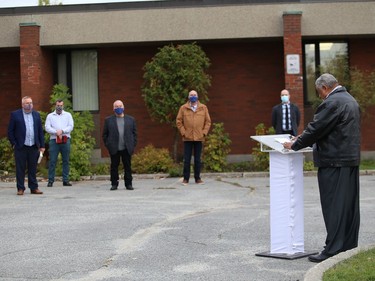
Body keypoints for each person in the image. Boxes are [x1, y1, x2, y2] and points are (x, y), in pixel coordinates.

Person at [283, 73, 361, 263]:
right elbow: (328, 128)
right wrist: (302, 138)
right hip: (350, 160)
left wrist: (294, 144)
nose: (321, 96)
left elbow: (316, 128)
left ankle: (332, 249)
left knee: (333, 206)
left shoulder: (332, 102)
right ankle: (348, 246)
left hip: (333, 162)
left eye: (320, 93)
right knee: (348, 207)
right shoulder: (350, 100)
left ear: (325, 88)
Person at [7, 96, 45, 195]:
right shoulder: (15, 115)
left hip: (33, 145)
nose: (30, 104)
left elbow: (40, 131)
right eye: (27, 103)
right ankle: (20, 188)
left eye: (31, 102)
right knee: (20, 168)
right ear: (23, 104)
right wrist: (14, 144)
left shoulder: (36, 115)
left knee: (33, 168)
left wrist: (42, 145)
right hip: (21, 146)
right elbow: (10, 131)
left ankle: (34, 188)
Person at [176, 90, 211, 185]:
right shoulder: (183, 108)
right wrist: (184, 133)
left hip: (199, 137)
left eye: (194, 95)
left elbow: (208, 122)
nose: (193, 96)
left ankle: (197, 178)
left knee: (197, 160)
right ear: (188, 97)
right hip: (187, 138)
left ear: (197, 96)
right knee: (186, 159)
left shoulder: (203, 108)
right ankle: (186, 179)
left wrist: (204, 133)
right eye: (191, 95)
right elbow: (179, 121)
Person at [102, 100, 137, 191]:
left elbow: (134, 134)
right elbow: (105, 135)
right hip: (114, 148)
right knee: (114, 166)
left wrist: (132, 145)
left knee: (127, 166)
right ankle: (114, 184)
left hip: (127, 147)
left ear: (123, 107)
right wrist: (108, 145)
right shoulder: (108, 120)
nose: (118, 108)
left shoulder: (131, 120)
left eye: (120, 106)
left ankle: (128, 184)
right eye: (116, 107)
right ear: (113, 108)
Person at [45, 100, 74, 187]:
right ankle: (50, 180)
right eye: (58, 105)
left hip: (65, 139)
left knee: (66, 160)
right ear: (55, 105)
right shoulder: (50, 116)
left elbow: (71, 126)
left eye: (61, 105)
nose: (59, 107)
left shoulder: (68, 115)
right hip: (54, 140)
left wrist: (62, 131)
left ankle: (66, 180)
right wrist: (56, 132)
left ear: (63, 105)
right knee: (52, 161)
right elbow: (47, 127)